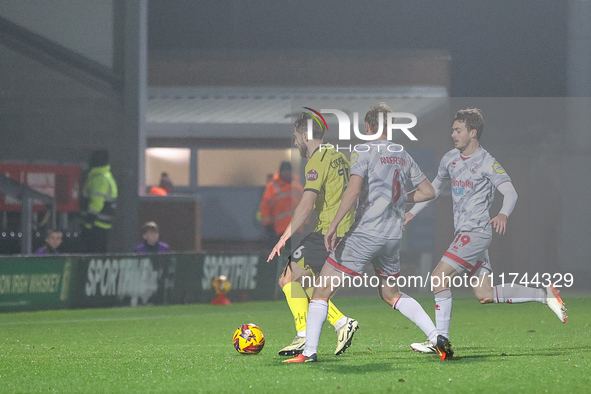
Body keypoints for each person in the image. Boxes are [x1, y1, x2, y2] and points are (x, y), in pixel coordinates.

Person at [285, 103, 453, 363]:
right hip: (393, 236)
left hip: (365, 234)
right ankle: (437, 337)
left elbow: (352, 192)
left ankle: (308, 352)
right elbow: (429, 192)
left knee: (320, 291)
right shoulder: (402, 153)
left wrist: (333, 224)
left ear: (368, 126)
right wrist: (398, 199)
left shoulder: (362, 151)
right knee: (392, 294)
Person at [405, 108, 567, 355]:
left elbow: (511, 192)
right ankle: (543, 294)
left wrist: (502, 214)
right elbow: (433, 190)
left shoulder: (487, 162)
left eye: (458, 130)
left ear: (473, 132)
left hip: (476, 233)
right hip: (465, 234)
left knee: (438, 277)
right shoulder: (449, 159)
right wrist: (410, 212)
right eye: (452, 130)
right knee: (485, 294)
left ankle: (441, 341)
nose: (453, 134)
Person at [267, 112, 358, 357]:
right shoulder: (339, 156)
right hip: (344, 231)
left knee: (287, 278)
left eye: (296, 136)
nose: (295, 142)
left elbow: (306, 204)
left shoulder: (316, 161)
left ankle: (304, 335)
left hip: (327, 232)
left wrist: (284, 236)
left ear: (306, 135)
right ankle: (341, 323)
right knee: (306, 283)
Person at [81, 150, 118, 253]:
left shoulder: (99, 179)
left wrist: (88, 223)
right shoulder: (107, 175)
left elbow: (96, 203)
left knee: (92, 253)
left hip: (96, 224)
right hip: (104, 223)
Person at [260, 161, 304, 250]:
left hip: (296, 229)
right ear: (280, 172)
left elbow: (305, 204)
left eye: (288, 171)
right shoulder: (273, 186)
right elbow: (266, 206)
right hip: (280, 229)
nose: (287, 173)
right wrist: (268, 225)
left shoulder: (297, 185)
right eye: (284, 171)